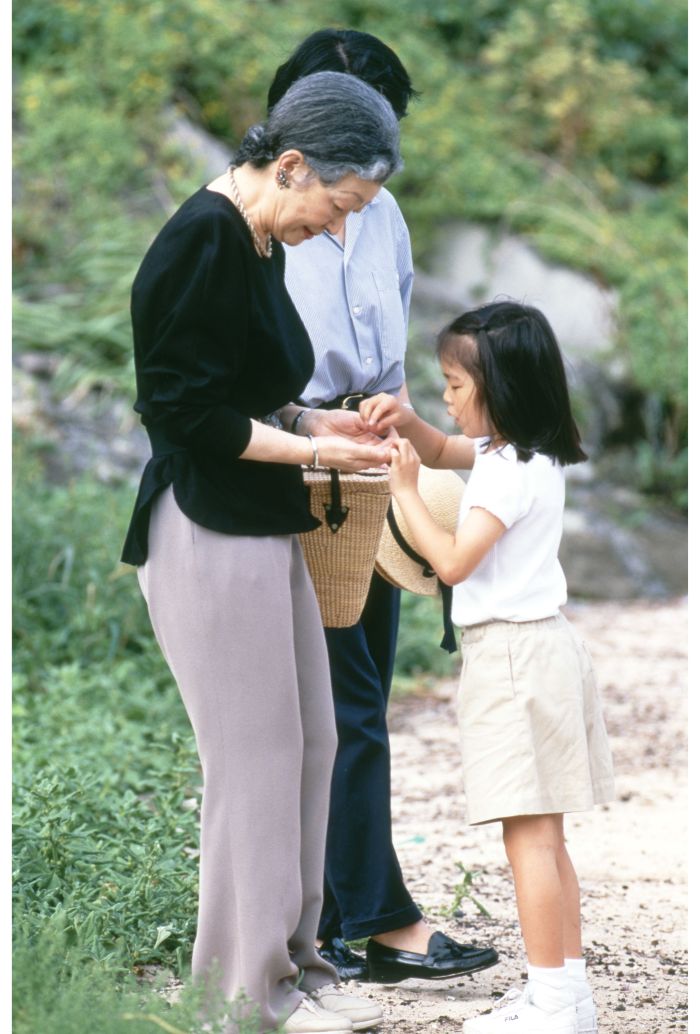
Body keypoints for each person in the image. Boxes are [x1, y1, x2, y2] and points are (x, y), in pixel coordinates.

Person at [120, 71, 407, 1034]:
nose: (338, 226)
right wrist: (316, 452)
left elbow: (244, 389)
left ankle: (299, 965)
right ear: (290, 165)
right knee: (252, 764)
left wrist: (315, 421)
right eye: (340, 203)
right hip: (206, 527)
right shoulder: (200, 239)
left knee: (313, 743)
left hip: (263, 519)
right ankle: (244, 997)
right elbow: (183, 414)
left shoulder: (258, 239)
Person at [267, 28, 499, 985]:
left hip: (370, 459)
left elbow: (390, 339)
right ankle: (370, 920)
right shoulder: (257, 213)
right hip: (294, 458)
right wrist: (312, 426)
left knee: (355, 692)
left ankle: (346, 916)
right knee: (336, 700)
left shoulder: (383, 211)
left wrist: (404, 435)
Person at [359, 301, 616, 1033]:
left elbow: (451, 562)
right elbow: (447, 449)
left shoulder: (504, 473)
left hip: (509, 658)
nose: (445, 397)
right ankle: (568, 995)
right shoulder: (529, 453)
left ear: (498, 388)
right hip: (546, 648)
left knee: (526, 838)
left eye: (453, 384)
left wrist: (404, 491)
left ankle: (550, 1003)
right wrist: (409, 425)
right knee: (548, 837)